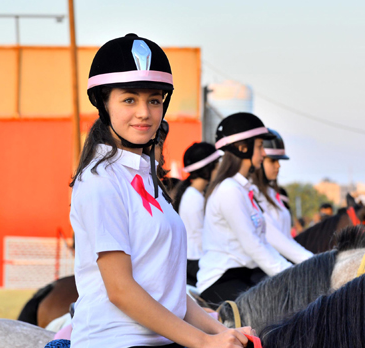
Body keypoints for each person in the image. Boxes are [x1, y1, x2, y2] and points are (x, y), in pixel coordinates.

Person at [69, 34, 252, 348]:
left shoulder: (146, 178)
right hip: (117, 342)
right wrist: (204, 342)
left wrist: (217, 332)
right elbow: (121, 290)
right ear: (104, 103)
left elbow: (167, 288)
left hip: (160, 339)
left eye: (154, 100)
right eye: (130, 99)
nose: (145, 112)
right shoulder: (99, 181)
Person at [197, 112, 292, 305]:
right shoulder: (229, 190)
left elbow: (262, 242)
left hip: (243, 274)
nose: (264, 153)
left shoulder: (244, 189)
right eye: (259, 147)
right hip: (221, 279)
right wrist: (294, 275)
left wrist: (294, 272)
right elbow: (253, 245)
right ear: (242, 148)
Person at [250, 129, 313, 264]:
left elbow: (287, 239)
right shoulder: (252, 194)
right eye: (272, 161)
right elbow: (274, 238)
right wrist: (313, 261)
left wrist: (313, 259)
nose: (278, 166)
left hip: (280, 263)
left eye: (278, 161)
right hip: (265, 268)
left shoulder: (272, 193)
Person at [172, 142, 222, 286]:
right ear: (208, 168)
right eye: (217, 164)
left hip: (196, 259)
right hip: (195, 260)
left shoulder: (195, 194)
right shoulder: (193, 197)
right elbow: (199, 235)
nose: (220, 168)